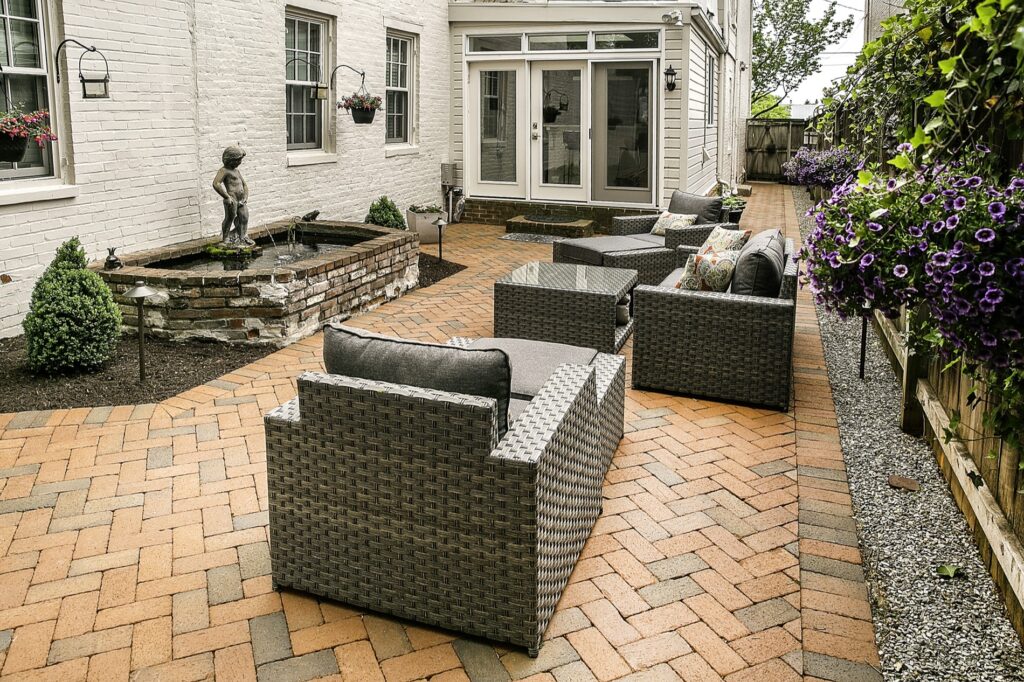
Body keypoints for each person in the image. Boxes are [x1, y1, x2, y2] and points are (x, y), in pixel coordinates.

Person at [212, 146, 252, 245]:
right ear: (230, 160)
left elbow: (245, 185)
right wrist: (226, 197)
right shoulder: (224, 171)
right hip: (231, 199)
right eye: (238, 160)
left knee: (244, 217)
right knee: (229, 218)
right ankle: (225, 238)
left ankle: (242, 237)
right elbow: (216, 183)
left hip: (241, 200)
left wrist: (245, 198)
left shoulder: (237, 171)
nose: (240, 162)